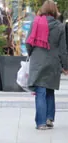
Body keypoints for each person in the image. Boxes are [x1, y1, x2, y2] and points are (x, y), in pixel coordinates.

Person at [26, 0, 68, 130]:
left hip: (38, 61)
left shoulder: (35, 23)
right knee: (49, 90)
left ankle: (41, 123)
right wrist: (66, 66)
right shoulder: (60, 26)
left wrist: (31, 53)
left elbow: (28, 43)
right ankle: (49, 118)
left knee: (40, 91)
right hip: (53, 62)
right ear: (55, 11)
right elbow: (63, 49)